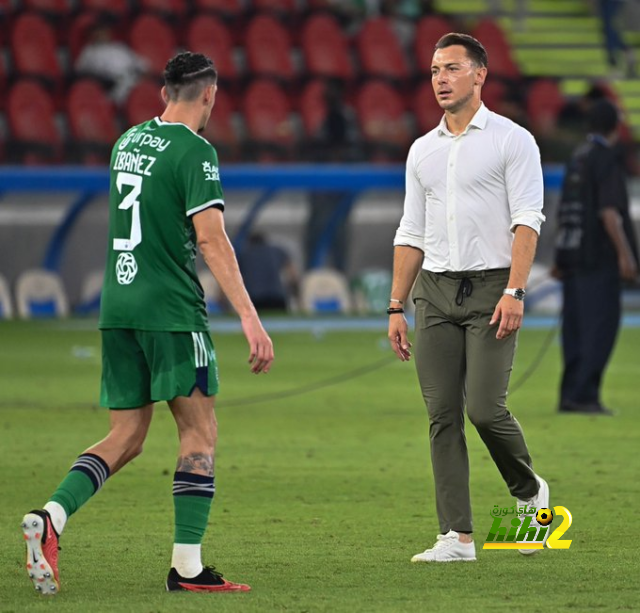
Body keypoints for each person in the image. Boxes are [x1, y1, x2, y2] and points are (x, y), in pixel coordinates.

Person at [21, 52, 274, 595]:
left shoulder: (127, 142)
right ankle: (187, 568)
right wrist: (251, 318)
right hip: (172, 311)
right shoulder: (197, 152)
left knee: (127, 434)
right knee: (199, 432)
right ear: (209, 96)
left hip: (118, 307)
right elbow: (210, 238)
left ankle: (52, 518)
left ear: (164, 94)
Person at [388, 33, 548, 563]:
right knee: (441, 415)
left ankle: (530, 495)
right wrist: (395, 305)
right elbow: (411, 230)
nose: (440, 78)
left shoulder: (512, 140)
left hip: (493, 288)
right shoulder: (422, 149)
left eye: (452, 68)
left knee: (483, 409)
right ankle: (455, 537)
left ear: (480, 74)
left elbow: (528, 220)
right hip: (434, 291)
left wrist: (515, 290)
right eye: (435, 70)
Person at [554, 99, 639, 415]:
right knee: (599, 328)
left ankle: (569, 394)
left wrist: (560, 257)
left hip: (574, 256)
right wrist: (626, 256)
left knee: (574, 329)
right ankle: (585, 395)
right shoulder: (606, 158)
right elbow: (609, 213)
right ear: (616, 126)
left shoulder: (577, 157)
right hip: (599, 258)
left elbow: (566, 209)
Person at [75, 19, 149, 104]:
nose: (101, 35)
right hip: (111, 85)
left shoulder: (119, 47)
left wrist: (144, 74)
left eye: (104, 32)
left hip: (134, 79)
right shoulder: (89, 51)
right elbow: (80, 72)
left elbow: (140, 64)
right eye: (98, 32)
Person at [237, 231, 299, 312]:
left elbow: (234, 277)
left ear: (249, 243)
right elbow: (292, 273)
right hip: (277, 297)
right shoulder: (277, 251)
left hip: (254, 299)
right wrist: (296, 292)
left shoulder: (243, 254)